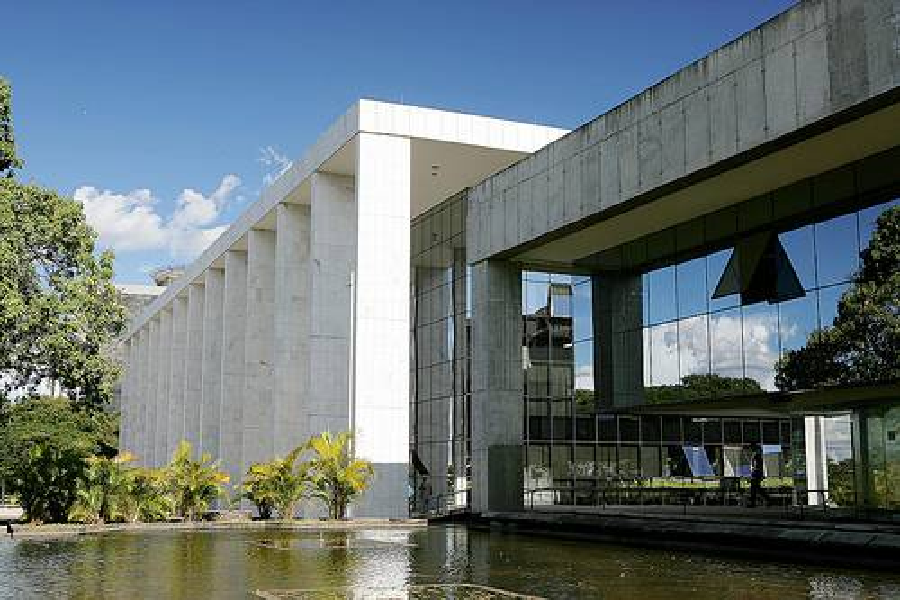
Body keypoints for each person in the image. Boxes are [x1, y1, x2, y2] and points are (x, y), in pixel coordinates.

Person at [748, 443, 771, 508]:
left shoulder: (756, 456)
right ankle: (767, 499)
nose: (750, 450)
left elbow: (756, 466)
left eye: (750, 448)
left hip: (756, 474)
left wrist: (753, 473)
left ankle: (754, 503)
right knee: (757, 488)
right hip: (757, 474)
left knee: (754, 488)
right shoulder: (758, 456)